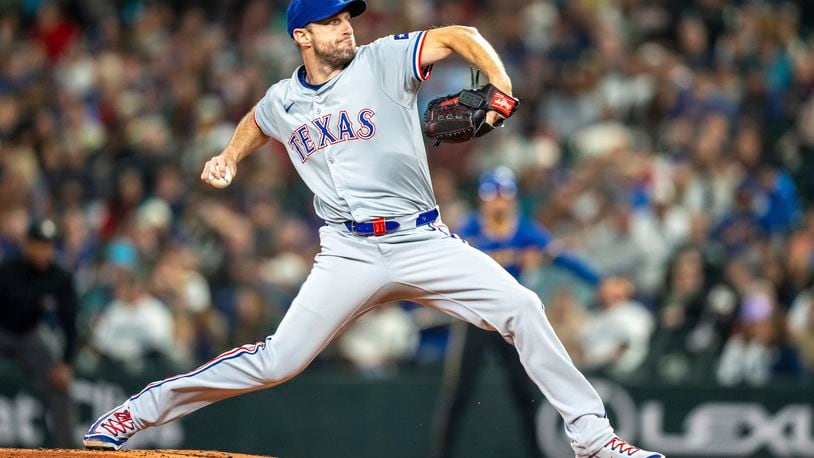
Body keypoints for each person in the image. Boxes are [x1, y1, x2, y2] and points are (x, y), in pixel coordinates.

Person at [83, 1, 665, 456]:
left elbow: (459, 35)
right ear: (301, 36)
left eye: (345, 17)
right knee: (277, 362)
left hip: (420, 239)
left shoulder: (383, 60)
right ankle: (142, 410)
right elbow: (258, 121)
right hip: (347, 254)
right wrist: (230, 156)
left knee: (522, 306)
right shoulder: (283, 98)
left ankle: (593, 437)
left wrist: (500, 81)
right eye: (330, 21)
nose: (345, 28)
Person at [431, 167, 606, 458]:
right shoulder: (470, 227)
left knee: (525, 393)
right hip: (475, 319)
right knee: (458, 393)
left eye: (504, 195)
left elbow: (564, 258)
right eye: (492, 196)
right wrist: (509, 255)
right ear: (482, 199)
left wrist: (599, 282)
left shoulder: (524, 230)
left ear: (512, 199)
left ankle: (535, 454)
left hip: (511, 322)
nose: (498, 202)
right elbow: (442, 258)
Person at [0, 219, 79, 448]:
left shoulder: (59, 277)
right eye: (40, 245)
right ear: (27, 245)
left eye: (49, 245)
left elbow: (69, 321)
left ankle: (69, 449)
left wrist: (66, 362)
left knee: (60, 382)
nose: (46, 251)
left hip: (29, 335)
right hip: (1, 330)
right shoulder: (7, 271)